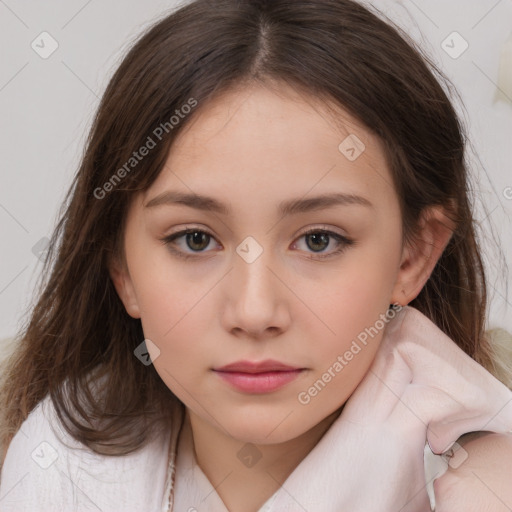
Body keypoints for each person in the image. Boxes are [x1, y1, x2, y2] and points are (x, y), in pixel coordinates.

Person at [0, 0, 511, 510]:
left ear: (412, 257)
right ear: (122, 268)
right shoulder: (54, 471)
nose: (254, 312)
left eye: (319, 240)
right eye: (194, 239)